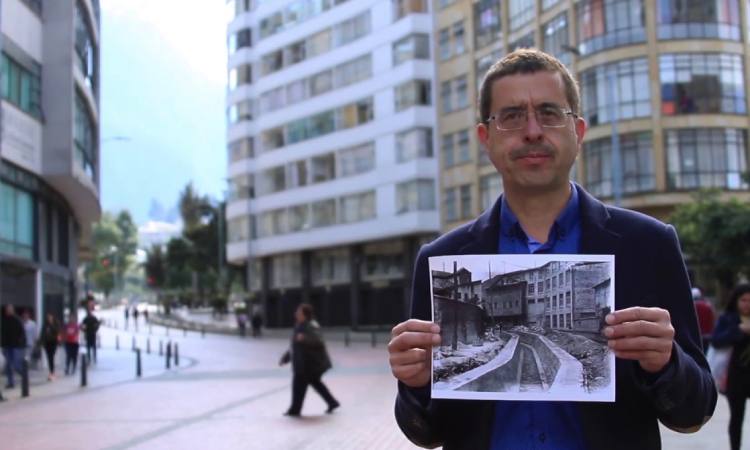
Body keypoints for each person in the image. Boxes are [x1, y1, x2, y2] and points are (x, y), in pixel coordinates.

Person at [388, 49, 716, 449]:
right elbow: (425, 434)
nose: (532, 131)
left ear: (577, 131)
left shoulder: (648, 245)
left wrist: (666, 363)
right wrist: (417, 384)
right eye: (510, 116)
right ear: (485, 138)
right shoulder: (441, 260)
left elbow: (694, 412)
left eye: (548, 113)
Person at [279, 303, 339, 417]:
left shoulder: (311, 326)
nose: (296, 314)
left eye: (299, 312)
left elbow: (318, 341)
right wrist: (286, 358)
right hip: (303, 363)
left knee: (298, 386)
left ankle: (295, 410)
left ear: (305, 315)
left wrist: (305, 338)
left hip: (309, 364)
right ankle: (332, 402)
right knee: (315, 384)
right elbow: (294, 345)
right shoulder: (299, 325)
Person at [712, 284, 750, 450]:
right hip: (735, 375)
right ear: (736, 300)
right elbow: (717, 340)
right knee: (737, 418)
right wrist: (739, 331)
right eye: (744, 300)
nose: (747, 304)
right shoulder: (728, 318)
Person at [1, 305, 26, 389]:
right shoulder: (3, 320)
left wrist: (20, 342)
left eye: (9, 310)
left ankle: (24, 375)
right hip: (7, 345)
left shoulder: (17, 320)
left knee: (16, 365)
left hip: (16, 346)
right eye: (7, 310)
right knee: (8, 365)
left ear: (12, 310)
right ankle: (10, 382)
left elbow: (22, 333)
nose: (8, 311)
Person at [692, 287, 716, 353]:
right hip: (707, 335)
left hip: (695, 335)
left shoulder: (691, 307)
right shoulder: (708, 306)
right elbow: (712, 319)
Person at [40, 313, 61, 381]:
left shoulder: (55, 324)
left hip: (53, 343)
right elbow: (42, 333)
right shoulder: (45, 325)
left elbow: (57, 331)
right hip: (47, 343)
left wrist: (51, 326)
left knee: (51, 356)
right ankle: (51, 372)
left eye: (50, 317)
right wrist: (41, 342)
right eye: (48, 317)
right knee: (49, 357)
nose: (49, 318)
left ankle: (52, 372)